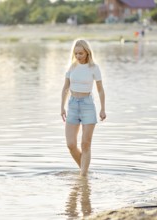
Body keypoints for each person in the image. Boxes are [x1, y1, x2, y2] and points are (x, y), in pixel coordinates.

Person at [61, 39, 106, 176]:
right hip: (73, 105)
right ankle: (84, 171)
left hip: (88, 105)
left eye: (81, 53)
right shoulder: (71, 67)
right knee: (71, 144)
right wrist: (62, 107)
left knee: (85, 144)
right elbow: (65, 88)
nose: (78, 56)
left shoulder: (94, 68)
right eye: (76, 54)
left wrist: (103, 108)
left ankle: (83, 176)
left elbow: (100, 90)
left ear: (87, 52)